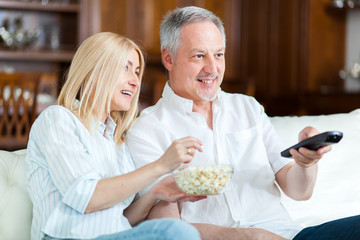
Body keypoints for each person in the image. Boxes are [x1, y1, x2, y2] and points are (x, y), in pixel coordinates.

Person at [126, 6, 360, 240]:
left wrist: (306, 162)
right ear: (169, 58)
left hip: (288, 235)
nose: (212, 68)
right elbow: (168, 227)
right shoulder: (147, 130)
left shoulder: (248, 108)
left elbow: (299, 191)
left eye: (218, 54)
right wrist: (247, 236)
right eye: (199, 56)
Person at [25, 32, 204, 240]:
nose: (135, 81)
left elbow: (120, 219)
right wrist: (161, 165)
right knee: (177, 231)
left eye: (137, 72)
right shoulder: (58, 120)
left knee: (174, 228)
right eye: (125, 68)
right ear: (93, 72)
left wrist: (156, 193)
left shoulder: (115, 141)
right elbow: (87, 198)